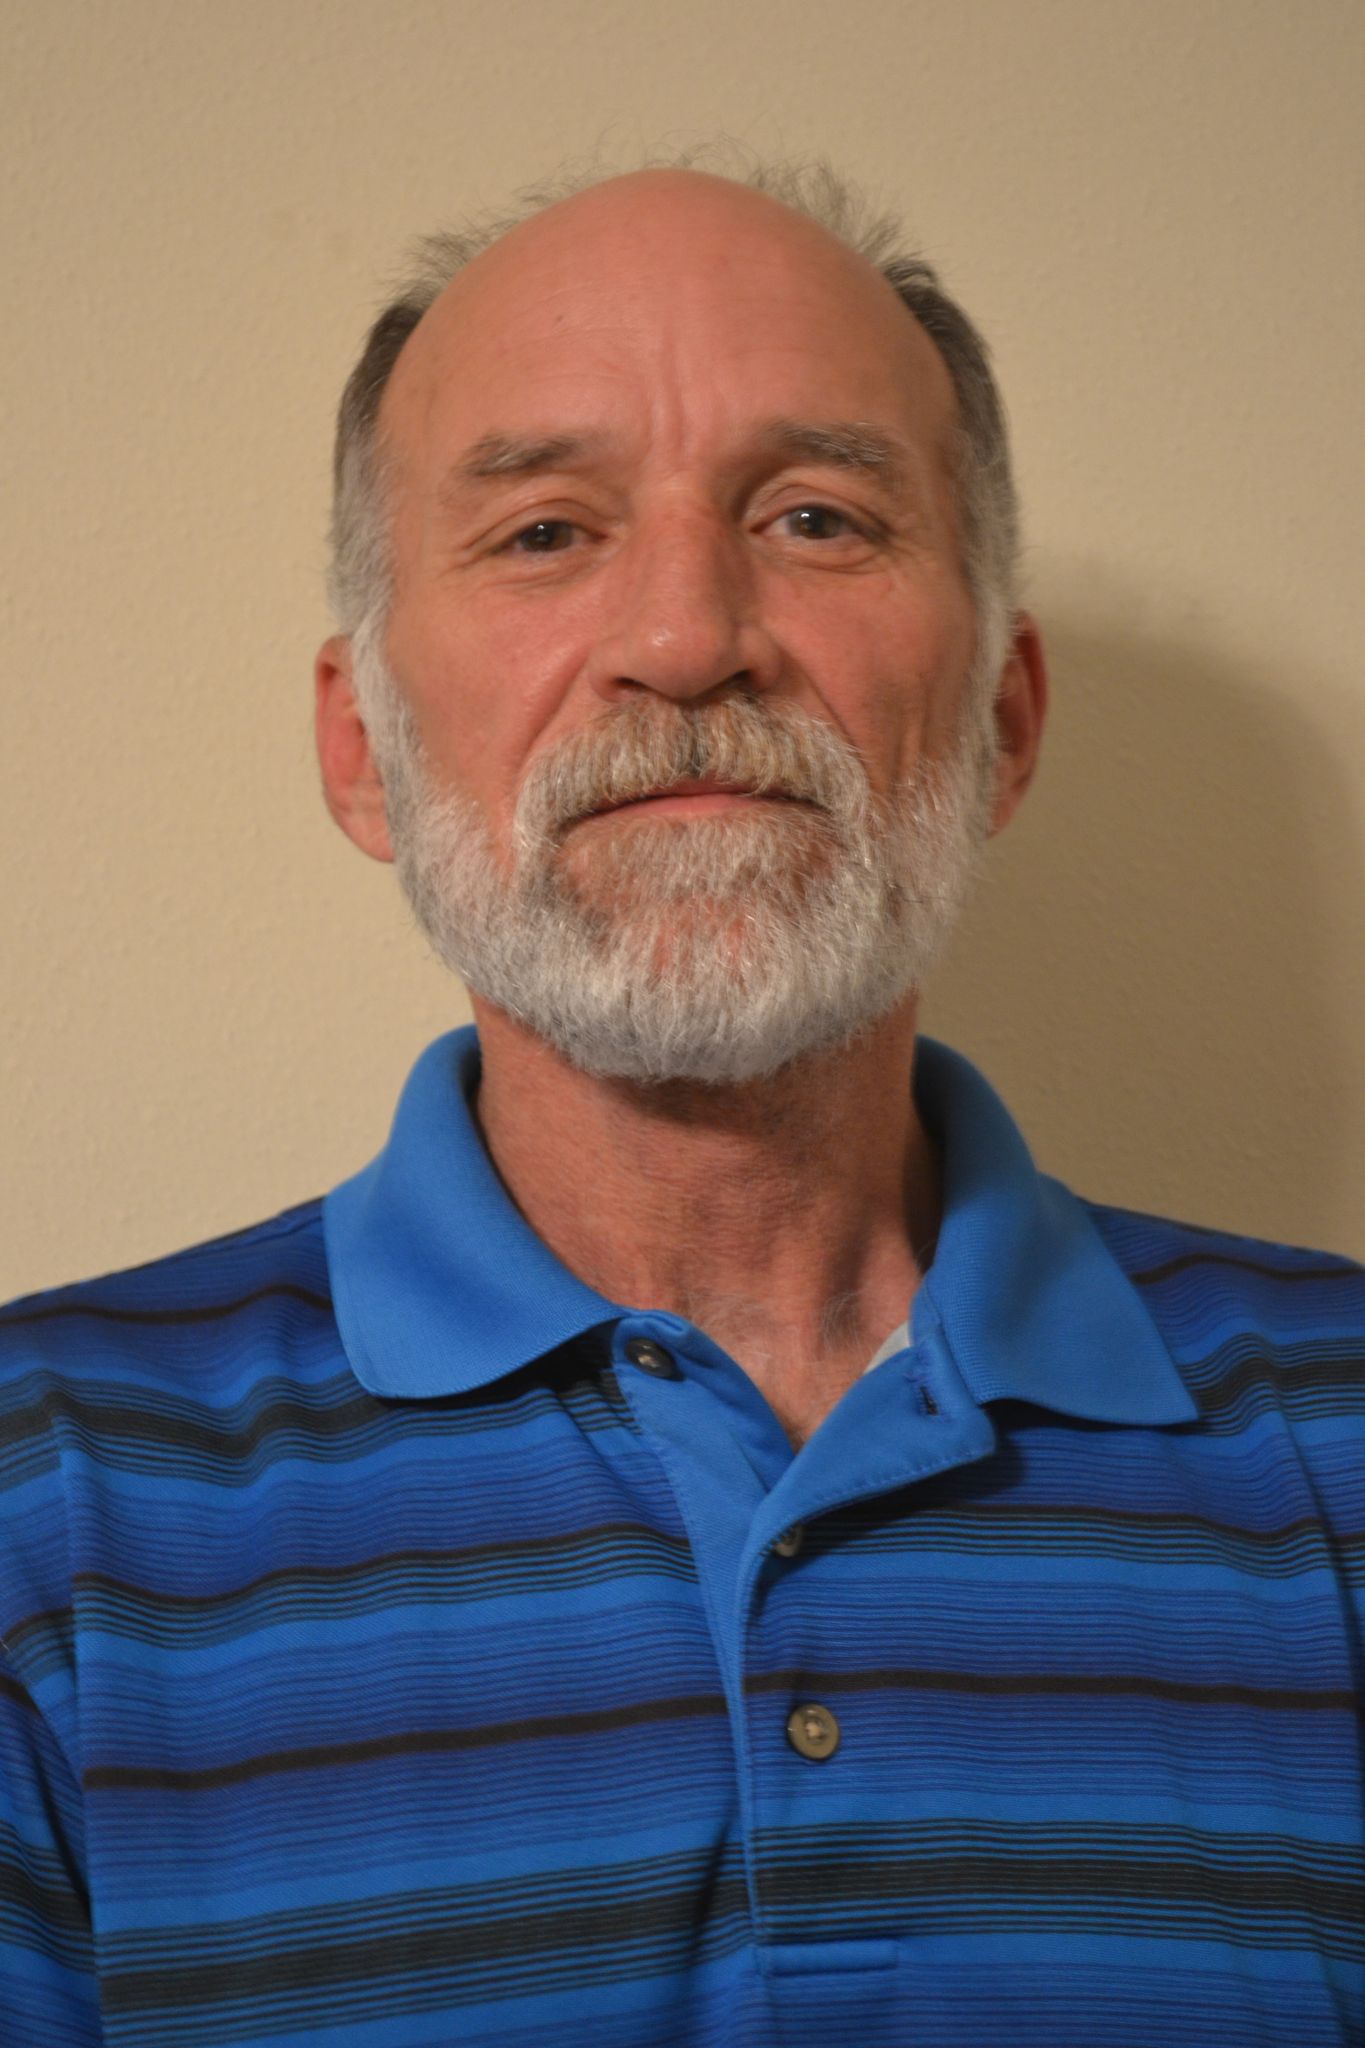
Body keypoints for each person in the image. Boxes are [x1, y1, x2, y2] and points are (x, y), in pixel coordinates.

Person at [2, 154, 1362, 2048]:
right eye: (544, 532)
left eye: (814, 516)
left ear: (1002, 721)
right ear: (363, 748)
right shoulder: (38, 1503)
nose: (686, 634)